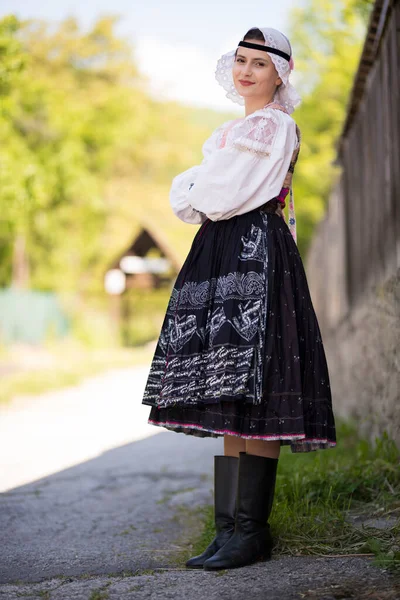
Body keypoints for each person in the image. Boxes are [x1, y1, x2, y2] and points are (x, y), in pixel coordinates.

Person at [141, 26, 336, 570]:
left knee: (258, 381)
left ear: (280, 75)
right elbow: (195, 193)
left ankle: (251, 532)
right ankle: (228, 529)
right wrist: (202, 189)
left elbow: (218, 194)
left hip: (254, 250)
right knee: (227, 388)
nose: (247, 71)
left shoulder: (274, 126)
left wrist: (202, 189)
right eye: (241, 61)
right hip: (222, 247)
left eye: (260, 64)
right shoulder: (231, 132)